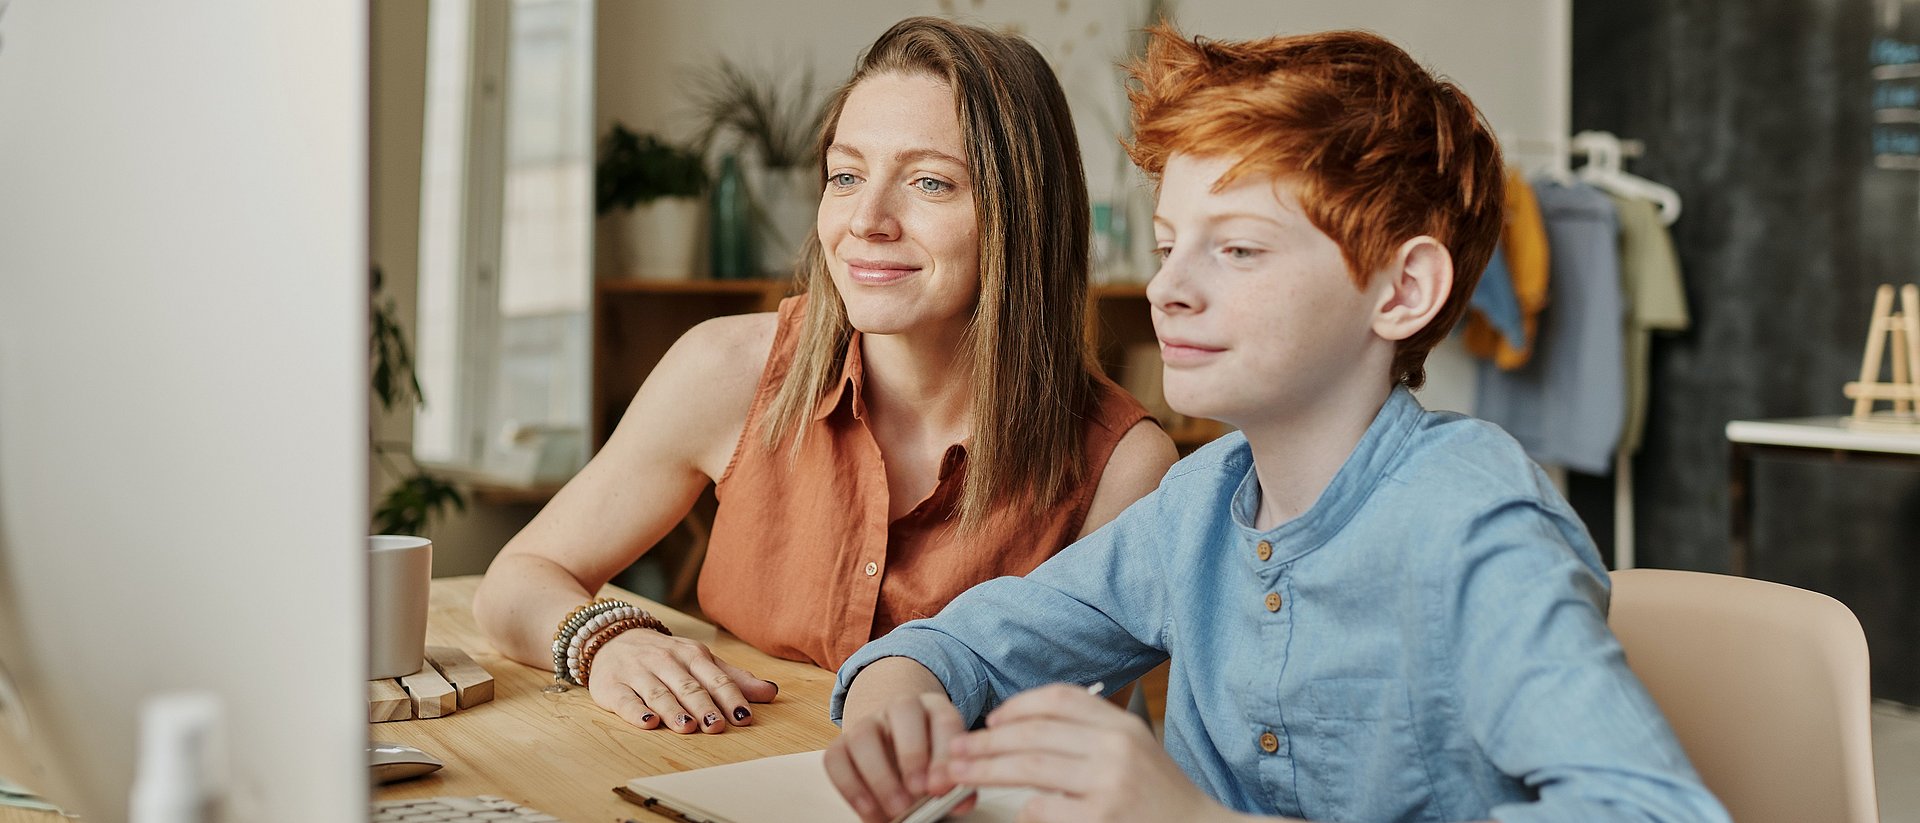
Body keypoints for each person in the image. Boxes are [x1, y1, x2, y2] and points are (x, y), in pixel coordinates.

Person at [825, 25, 1731, 823]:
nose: (1168, 288)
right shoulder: (1196, 505)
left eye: (1238, 248)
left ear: (1403, 289)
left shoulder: (1476, 524)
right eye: (1169, 244)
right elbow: (961, 643)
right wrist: (897, 707)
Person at [471, 16, 1176, 736]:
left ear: (1024, 216)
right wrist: (609, 641)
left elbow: (1064, 737)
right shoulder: (726, 368)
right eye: (846, 175)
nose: (866, 220)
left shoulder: (1122, 466)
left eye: (930, 182)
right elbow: (517, 579)